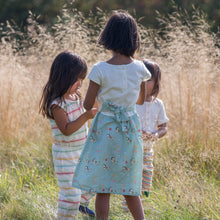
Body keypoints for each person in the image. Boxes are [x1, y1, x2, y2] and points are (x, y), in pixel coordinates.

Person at [72, 10, 151, 220]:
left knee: (103, 186)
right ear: (134, 39)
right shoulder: (141, 68)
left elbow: (88, 104)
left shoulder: (100, 69)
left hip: (105, 130)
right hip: (129, 130)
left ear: (108, 36)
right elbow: (140, 101)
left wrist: (87, 98)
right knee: (130, 186)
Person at [39, 51, 97, 219]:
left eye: (82, 79)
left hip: (82, 151)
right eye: (76, 79)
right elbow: (66, 129)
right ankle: (67, 214)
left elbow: (88, 106)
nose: (80, 83)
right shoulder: (57, 104)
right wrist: (86, 116)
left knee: (93, 183)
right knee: (69, 195)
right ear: (63, 78)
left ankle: (81, 203)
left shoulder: (76, 96)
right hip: (66, 156)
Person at [136, 59, 169, 198]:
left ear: (156, 83)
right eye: (140, 79)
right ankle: (128, 208)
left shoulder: (158, 104)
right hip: (132, 148)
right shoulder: (132, 101)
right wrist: (137, 131)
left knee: (147, 174)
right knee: (132, 177)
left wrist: (156, 134)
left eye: (148, 80)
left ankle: (144, 202)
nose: (143, 83)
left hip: (148, 149)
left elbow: (164, 127)